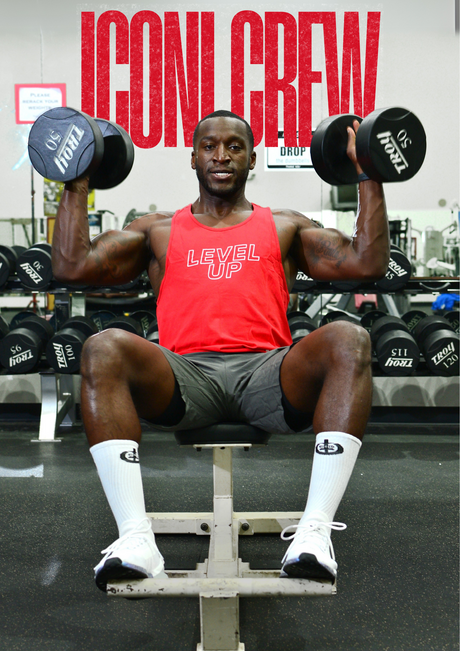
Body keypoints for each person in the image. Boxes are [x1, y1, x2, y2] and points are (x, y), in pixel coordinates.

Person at [51, 110, 389, 592]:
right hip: (184, 375)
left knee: (350, 338)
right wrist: (77, 179)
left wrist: (368, 172)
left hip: (268, 373)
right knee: (102, 347)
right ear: (193, 157)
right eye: (210, 146)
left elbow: (366, 261)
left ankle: (313, 534)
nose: (222, 156)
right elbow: (71, 267)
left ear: (253, 159)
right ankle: (135, 539)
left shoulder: (284, 226)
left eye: (235, 146)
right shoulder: (159, 230)